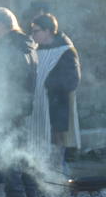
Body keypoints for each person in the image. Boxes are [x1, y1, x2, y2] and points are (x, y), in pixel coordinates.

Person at [0, 6, 41, 197]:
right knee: (22, 149)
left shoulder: (7, 45)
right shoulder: (27, 44)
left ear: (0, 26)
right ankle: (30, 193)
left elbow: (2, 78)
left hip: (8, 105)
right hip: (23, 105)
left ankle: (16, 194)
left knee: (6, 149)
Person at [28, 13, 80, 180]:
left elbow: (72, 80)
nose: (33, 35)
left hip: (56, 107)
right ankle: (44, 183)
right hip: (38, 109)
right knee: (41, 147)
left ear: (48, 31)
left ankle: (60, 184)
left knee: (57, 149)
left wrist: (49, 85)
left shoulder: (65, 51)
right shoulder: (36, 50)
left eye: (36, 31)